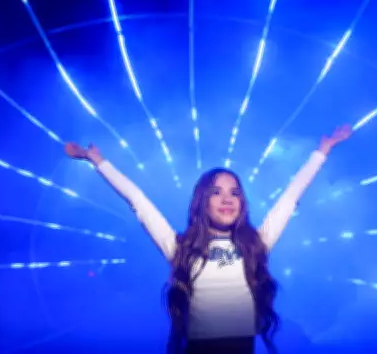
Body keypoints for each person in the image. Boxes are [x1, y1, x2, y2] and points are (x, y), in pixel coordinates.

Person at [65, 124, 353, 354]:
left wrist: (322, 152)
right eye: (216, 192)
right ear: (202, 202)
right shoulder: (180, 248)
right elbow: (138, 201)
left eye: (234, 192)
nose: (227, 199)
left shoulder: (255, 244)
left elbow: (289, 199)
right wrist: (98, 161)